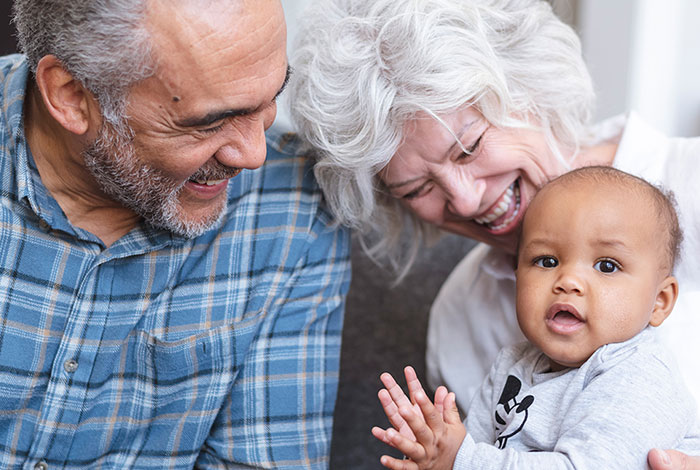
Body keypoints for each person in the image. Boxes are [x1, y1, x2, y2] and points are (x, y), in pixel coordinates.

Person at [288, 0, 700, 467]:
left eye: (469, 148)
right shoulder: (462, 318)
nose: (464, 201)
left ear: (529, 89)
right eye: (418, 187)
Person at [0, 0, 350, 468]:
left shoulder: (293, 212)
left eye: (270, 101)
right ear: (70, 95)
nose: (253, 155)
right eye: (210, 122)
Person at [371, 166, 698, 469]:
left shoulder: (639, 376)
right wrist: (434, 453)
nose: (568, 281)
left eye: (607, 266)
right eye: (546, 261)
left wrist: (461, 458)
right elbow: (475, 453)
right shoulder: (512, 364)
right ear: (516, 275)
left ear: (660, 302)